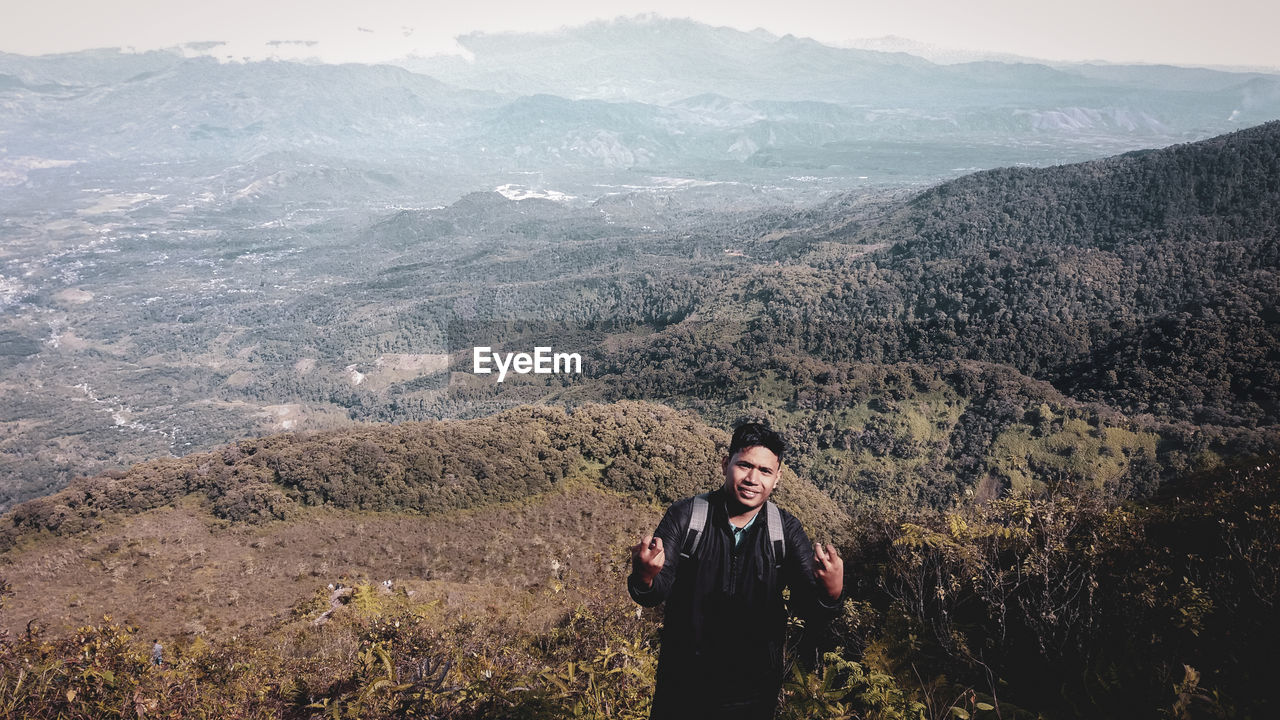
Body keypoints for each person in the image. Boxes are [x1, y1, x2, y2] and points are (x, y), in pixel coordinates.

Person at [628, 423, 844, 720]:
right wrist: (645, 576)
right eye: (744, 465)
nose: (753, 479)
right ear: (725, 464)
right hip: (682, 686)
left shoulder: (785, 531)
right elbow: (654, 593)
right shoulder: (687, 516)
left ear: (777, 478)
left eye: (765, 471)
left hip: (752, 694)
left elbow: (809, 608)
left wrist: (830, 592)